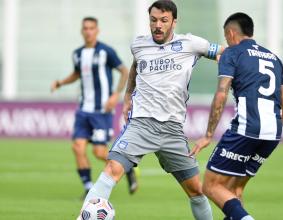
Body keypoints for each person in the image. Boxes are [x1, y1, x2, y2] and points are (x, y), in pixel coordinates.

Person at [78, 1, 224, 219]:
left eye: (164, 21)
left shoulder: (191, 43)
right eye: (153, 20)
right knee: (111, 170)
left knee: (196, 190)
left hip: (172, 130)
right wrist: (128, 94)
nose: (158, 25)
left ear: (174, 22)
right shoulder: (139, 44)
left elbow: (224, 53)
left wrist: (235, 69)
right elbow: (136, 66)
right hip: (141, 125)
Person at [190, 12, 283, 220]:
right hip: (272, 133)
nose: (226, 41)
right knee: (234, 190)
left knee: (211, 186)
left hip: (247, 129)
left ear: (231, 32)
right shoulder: (274, 58)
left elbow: (221, 94)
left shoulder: (233, 53)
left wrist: (208, 134)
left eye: (226, 37)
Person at [51, 16, 138, 197]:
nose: (88, 31)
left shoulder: (106, 51)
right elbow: (77, 74)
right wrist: (60, 83)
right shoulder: (77, 54)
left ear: (97, 30)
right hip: (84, 109)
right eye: (85, 28)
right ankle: (88, 186)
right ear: (82, 31)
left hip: (102, 110)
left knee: (99, 152)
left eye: (91, 28)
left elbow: (123, 71)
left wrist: (116, 95)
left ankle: (127, 168)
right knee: (78, 147)